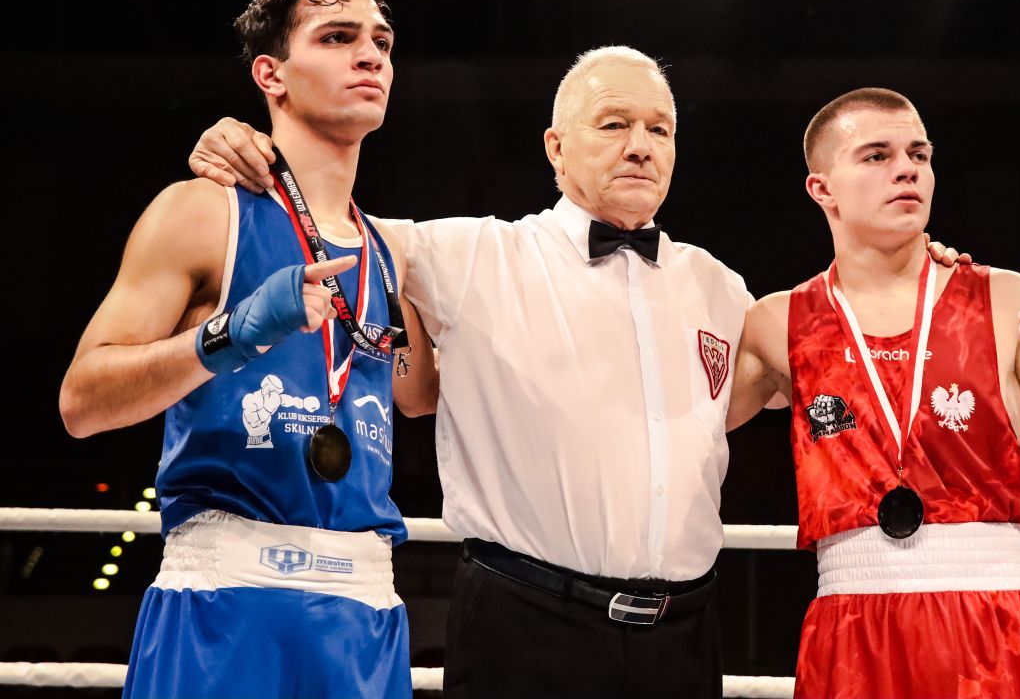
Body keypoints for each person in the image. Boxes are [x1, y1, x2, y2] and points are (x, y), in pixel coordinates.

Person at [188, 51, 964, 698]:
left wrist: (912, 270)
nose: (641, 146)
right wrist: (253, 152)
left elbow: (836, 353)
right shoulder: (471, 256)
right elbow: (321, 225)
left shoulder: (718, 288)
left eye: (660, 129)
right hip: (524, 627)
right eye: (615, 124)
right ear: (556, 148)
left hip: (683, 640)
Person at [59, 0, 436, 699]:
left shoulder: (394, 254)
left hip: (364, 615)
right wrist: (230, 333)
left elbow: (417, 396)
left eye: (382, 42)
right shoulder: (202, 213)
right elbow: (82, 401)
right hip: (224, 605)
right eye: (336, 37)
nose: (369, 55)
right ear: (271, 74)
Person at [731, 87, 1020, 699]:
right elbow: (685, 429)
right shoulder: (778, 324)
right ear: (822, 189)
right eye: (876, 155)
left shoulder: (1003, 299)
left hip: (996, 625)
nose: (907, 168)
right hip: (852, 627)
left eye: (919, 154)